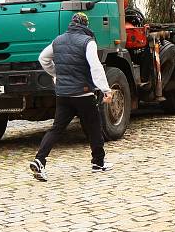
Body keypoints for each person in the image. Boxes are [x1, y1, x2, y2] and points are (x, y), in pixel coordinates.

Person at [29, 12, 114, 181]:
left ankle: (40, 160)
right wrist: (106, 89)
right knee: (94, 126)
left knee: (56, 129)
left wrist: (56, 74)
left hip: (63, 94)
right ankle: (98, 162)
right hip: (83, 93)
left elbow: (43, 58)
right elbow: (95, 67)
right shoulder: (87, 42)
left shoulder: (58, 40)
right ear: (86, 25)